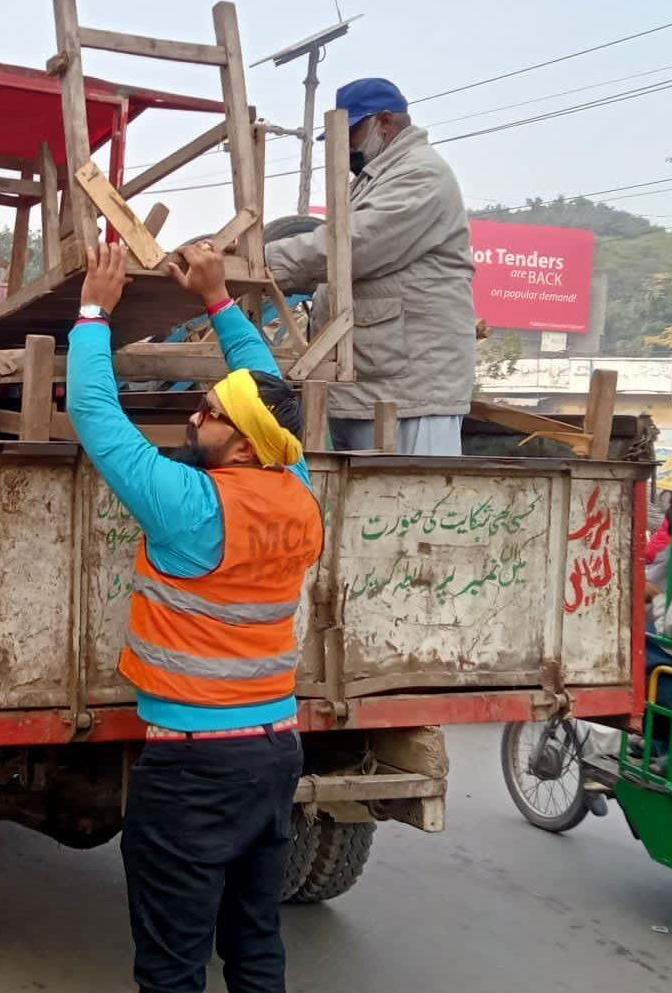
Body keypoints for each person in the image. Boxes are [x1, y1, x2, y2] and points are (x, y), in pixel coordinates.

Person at [67, 241, 323, 993]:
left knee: (173, 964)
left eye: (209, 412)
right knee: (255, 943)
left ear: (242, 441)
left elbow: (92, 411)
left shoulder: (188, 507)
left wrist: (93, 312)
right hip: (275, 757)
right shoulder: (301, 493)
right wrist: (218, 300)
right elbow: (267, 387)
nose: (193, 412)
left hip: (192, 771)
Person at [266, 77, 476, 455]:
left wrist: (261, 262)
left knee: (412, 501)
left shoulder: (420, 174)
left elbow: (353, 245)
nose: (344, 146)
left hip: (411, 393)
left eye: (350, 132)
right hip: (372, 382)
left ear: (384, 122)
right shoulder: (377, 177)